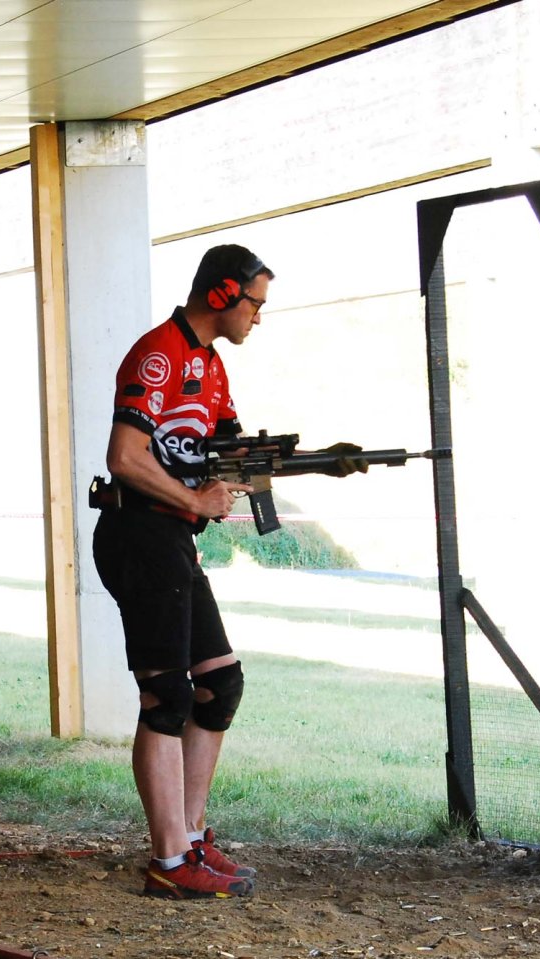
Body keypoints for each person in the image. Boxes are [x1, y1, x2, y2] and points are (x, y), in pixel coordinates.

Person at [92, 244, 366, 900]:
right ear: (221, 294)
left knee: (219, 684)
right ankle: (169, 859)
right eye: (255, 303)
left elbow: (233, 452)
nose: (257, 316)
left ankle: (188, 839)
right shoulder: (160, 354)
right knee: (166, 697)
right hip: (139, 534)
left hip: (170, 540)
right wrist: (194, 500)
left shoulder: (210, 366)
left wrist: (321, 461)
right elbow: (124, 456)